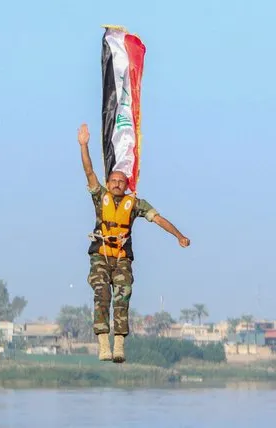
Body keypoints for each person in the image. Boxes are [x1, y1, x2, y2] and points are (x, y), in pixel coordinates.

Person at [78, 123, 190, 362]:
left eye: (121, 181)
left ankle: (119, 343)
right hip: (100, 255)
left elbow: (158, 219)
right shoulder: (100, 197)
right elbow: (88, 171)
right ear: (108, 184)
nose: (117, 184)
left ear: (127, 185)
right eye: (114, 181)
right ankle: (103, 343)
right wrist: (84, 145)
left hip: (121, 257)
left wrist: (179, 236)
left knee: (123, 294)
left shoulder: (136, 204)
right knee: (101, 293)